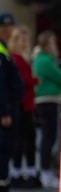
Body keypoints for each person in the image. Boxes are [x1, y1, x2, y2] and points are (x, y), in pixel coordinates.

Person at [9, 25, 41, 188]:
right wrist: (35, 80)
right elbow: (22, 80)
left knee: (29, 140)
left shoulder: (24, 57)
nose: (25, 42)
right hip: (21, 105)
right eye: (22, 39)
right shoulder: (16, 57)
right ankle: (16, 173)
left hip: (28, 104)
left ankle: (28, 172)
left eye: (26, 39)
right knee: (21, 141)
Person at [33, 29, 61, 189]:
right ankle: (45, 172)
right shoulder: (44, 60)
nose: (54, 45)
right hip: (47, 101)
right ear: (46, 43)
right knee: (48, 138)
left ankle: (45, 171)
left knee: (48, 137)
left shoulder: (44, 59)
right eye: (52, 42)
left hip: (48, 101)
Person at [0, 13, 24, 192]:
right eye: (4, 27)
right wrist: (4, 112)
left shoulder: (4, 49)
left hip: (11, 107)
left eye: (9, 27)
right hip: (5, 112)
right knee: (3, 151)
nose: (8, 31)